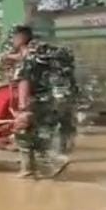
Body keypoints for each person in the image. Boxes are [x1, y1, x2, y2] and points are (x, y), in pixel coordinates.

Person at [14, 41, 78, 178]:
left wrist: (22, 108)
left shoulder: (29, 62)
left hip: (39, 103)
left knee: (23, 133)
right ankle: (51, 161)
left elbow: (24, 82)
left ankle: (31, 168)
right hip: (59, 104)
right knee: (44, 133)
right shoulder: (59, 63)